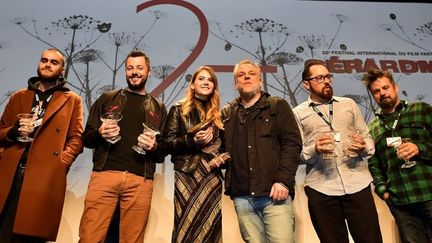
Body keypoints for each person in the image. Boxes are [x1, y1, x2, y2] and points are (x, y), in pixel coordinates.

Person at [79, 50, 167, 243]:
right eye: (130, 68)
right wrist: (100, 133)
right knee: (90, 237)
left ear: (149, 72)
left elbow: (161, 153)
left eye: (139, 68)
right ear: (125, 71)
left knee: (132, 240)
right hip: (104, 176)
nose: (134, 72)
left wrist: (153, 147)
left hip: (140, 181)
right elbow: (86, 138)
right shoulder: (107, 98)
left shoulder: (158, 108)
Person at [292, 59, 382, 243]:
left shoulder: (348, 104)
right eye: (319, 78)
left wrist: (363, 146)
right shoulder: (298, 113)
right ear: (306, 84)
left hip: (357, 184)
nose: (326, 81)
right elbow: (296, 154)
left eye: (328, 76)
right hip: (321, 189)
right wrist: (315, 149)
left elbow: (367, 138)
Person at [0, 48, 84, 242]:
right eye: (44, 60)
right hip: (11, 172)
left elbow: (76, 138)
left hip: (44, 175)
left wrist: (62, 163)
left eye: (54, 62)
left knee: (30, 234)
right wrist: (13, 132)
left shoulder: (72, 100)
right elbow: (1, 131)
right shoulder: (19, 96)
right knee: (4, 231)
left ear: (62, 69)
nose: (47, 64)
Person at [221, 60, 302, 243]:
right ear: (236, 84)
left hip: (274, 195)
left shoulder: (277, 106)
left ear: (260, 81)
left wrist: (283, 181)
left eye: (252, 73)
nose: (247, 76)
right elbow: (220, 149)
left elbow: (293, 143)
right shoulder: (227, 114)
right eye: (241, 75)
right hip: (242, 198)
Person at [363, 68, 432, 243]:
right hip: (400, 201)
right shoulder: (372, 127)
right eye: (376, 91)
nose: (382, 93)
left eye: (385, 88)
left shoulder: (421, 110)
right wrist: (383, 191)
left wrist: (419, 148)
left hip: (429, 191)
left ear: (395, 87)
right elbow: (374, 164)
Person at [163, 65, 229, 243]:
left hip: (211, 176)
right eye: (201, 79)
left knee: (211, 224)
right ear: (192, 84)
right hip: (187, 173)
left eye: (210, 80)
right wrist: (193, 141)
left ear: (214, 87)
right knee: (186, 224)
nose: (206, 82)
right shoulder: (178, 109)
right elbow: (167, 144)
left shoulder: (219, 115)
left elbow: (223, 148)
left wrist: (223, 158)